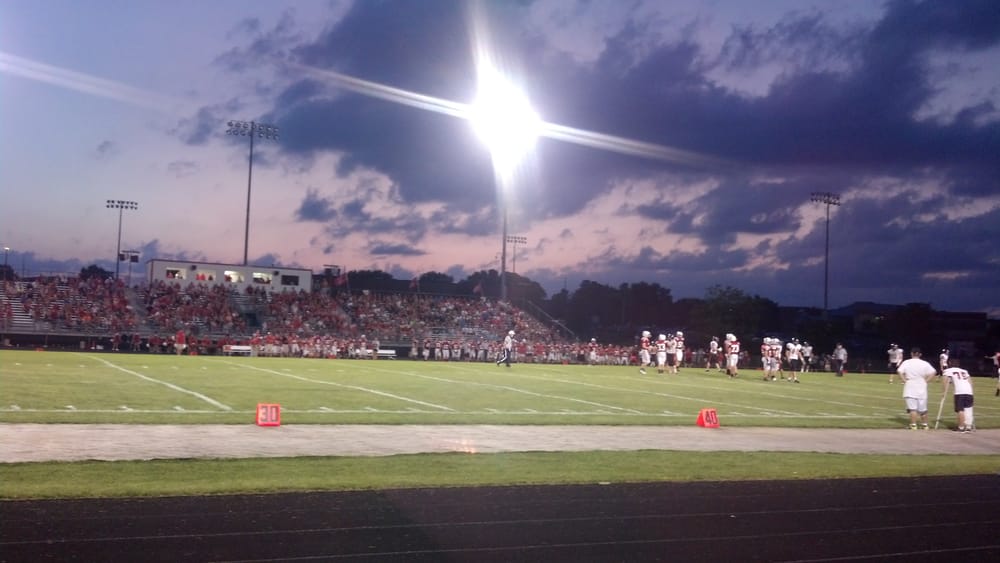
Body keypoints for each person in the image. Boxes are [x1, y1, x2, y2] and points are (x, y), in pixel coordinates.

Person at [897, 347, 937, 430]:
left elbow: (899, 371)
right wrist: (926, 381)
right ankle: (925, 425)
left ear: (911, 353)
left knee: (912, 408)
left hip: (910, 385)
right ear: (920, 354)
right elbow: (933, 372)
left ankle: (913, 425)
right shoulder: (924, 363)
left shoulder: (907, 362)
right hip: (921, 385)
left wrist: (904, 380)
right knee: (923, 408)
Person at [941, 359, 974, 432]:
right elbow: (970, 381)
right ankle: (968, 426)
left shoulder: (948, 370)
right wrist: (971, 391)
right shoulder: (964, 371)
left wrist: (943, 392)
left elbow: (945, 380)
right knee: (968, 409)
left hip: (960, 392)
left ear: (950, 363)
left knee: (960, 410)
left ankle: (961, 427)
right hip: (969, 391)